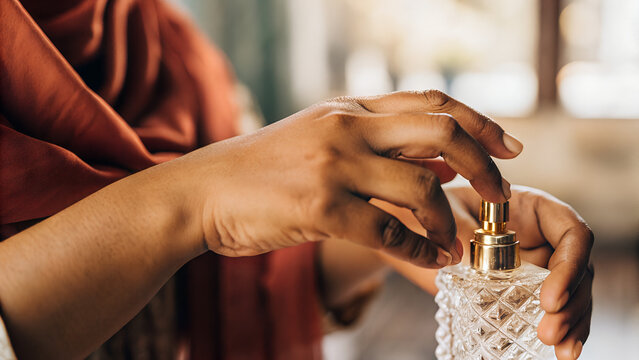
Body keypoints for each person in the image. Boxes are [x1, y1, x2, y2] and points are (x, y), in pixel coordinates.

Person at [0, 0, 593, 359]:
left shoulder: (170, 50)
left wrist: (396, 222)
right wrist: (190, 199)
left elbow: (222, 279)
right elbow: (208, 215)